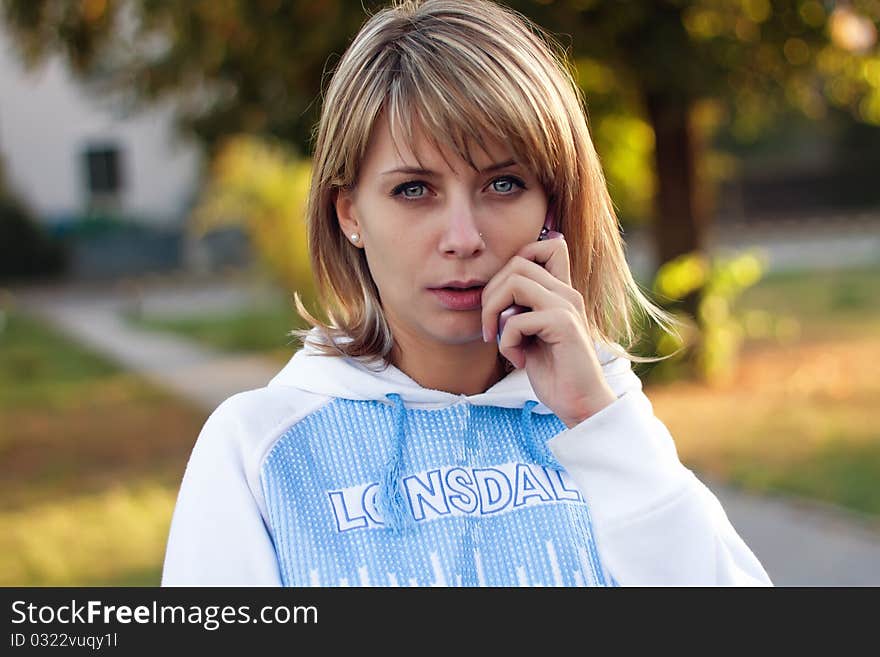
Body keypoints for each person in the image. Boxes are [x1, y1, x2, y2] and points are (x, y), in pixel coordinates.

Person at [161, 0, 772, 587]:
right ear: (349, 214)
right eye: (413, 190)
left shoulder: (603, 413)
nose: (463, 238)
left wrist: (597, 421)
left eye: (503, 184)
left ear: (552, 209)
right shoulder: (260, 448)